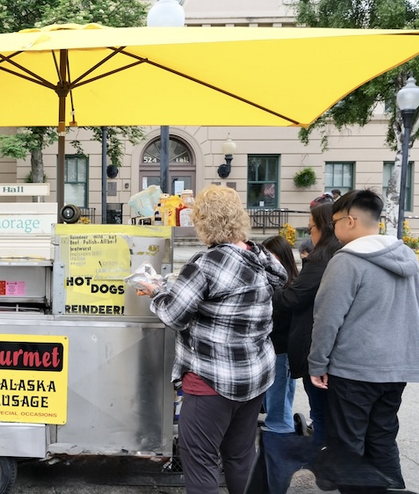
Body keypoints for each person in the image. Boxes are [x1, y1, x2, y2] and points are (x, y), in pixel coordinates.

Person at [135, 185, 287, 494]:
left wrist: (156, 290)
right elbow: (230, 298)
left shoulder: (206, 264)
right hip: (254, 377)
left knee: (200, 458)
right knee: (240, 454)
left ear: (203, 221)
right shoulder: (260, 257)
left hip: (211, 381)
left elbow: (174, 315)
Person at [309, 189, 419, 492]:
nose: (333, 228)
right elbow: (417, 310)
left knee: (349, 447)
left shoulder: (347, 261)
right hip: (397, 369)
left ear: (349, 220)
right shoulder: (408, 257)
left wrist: (318, 362)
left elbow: (327, 318)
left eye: (334, 220)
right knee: (383, 438)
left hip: (356, 369)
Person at [272, 203, 341, 449]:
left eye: (311, 227)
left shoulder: (321, 259)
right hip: (342, 353)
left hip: (319, 350)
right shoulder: (342, 255)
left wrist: (270, 289)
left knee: (321, 413)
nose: (309, 233)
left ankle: (326, 468)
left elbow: (293, 298)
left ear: (323, 228)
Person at [261, 235, 298, 435]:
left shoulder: (290, 285)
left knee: (279, 401)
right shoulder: (266, 280)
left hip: (282, 350)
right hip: (269, 349)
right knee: (273, 397)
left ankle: (280, 441)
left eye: (272, 257)